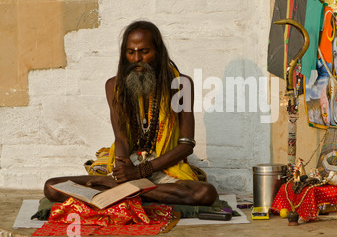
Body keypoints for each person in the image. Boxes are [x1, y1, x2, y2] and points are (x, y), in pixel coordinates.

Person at [44, 20, 218, 206]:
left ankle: (122, 192)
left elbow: (186, 145)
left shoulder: (181, 84)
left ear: (158, 52)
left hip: (164, 167)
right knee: (52, 186)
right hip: (129, 165)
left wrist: (142, 172)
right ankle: (132, 190)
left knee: (205, 193)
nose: (136, 59)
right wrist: (122, 171)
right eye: (130, 52)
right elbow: (121, 138)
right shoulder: (114, 86)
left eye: (144, 52)